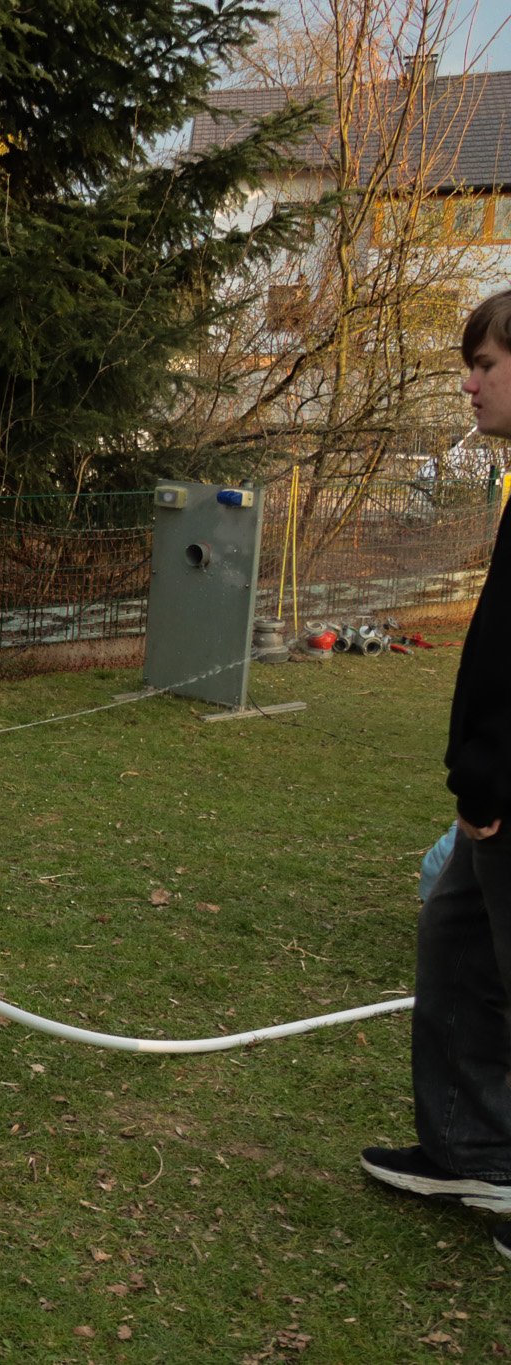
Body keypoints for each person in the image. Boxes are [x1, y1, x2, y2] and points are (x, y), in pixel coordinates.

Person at [359, 290, 511, 1256]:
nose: (468, 384)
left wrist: (491, 777)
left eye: (485, 365)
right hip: (489, 788)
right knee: (455, 939)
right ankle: (471, 1150)